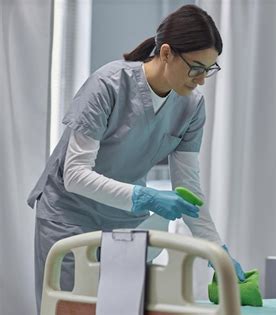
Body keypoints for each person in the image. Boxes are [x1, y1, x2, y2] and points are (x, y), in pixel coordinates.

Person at [27, 4, 245, 313]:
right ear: (166, 53)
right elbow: (75, 175)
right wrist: (145, 196)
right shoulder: (107, 85)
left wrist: (216, 250)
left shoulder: (191, 107)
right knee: (72, 308)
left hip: (124, 221)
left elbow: (189, 191)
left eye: (209, 70)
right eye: (196, 68)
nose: (201, 80)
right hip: (70, 216)